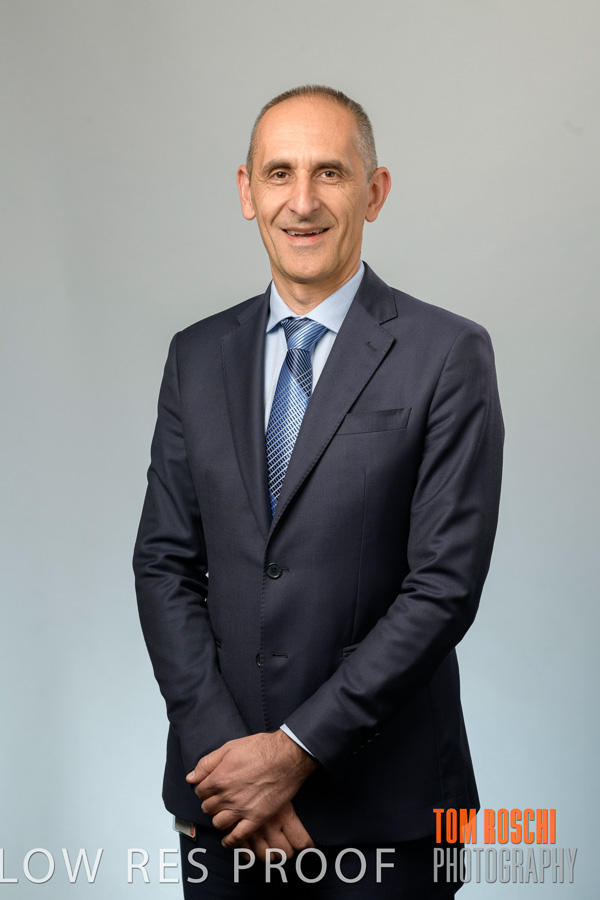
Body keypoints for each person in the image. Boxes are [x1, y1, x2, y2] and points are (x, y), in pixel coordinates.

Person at [133, 84, 504, 898]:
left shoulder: (447, 355)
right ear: (247, 191)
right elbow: (164, 565)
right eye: (279, 173)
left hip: (390, 817)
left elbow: (443, 587)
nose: (302, 202)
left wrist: (293, 751)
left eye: (330, 173)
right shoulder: (196, 357)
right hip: (223, 806)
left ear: (374, 191)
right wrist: (227, 759)